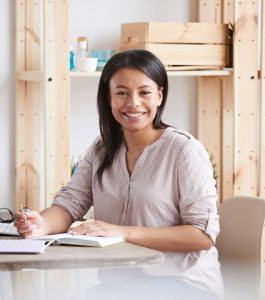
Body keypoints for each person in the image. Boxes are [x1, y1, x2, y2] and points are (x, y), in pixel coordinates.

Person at [14, 49, 223, 300]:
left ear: (159, 95)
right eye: (121, 93)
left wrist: (122, 232)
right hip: (120, 286)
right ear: (109, 98)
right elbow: (69, 204)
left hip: (183, 285)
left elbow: (202, 236)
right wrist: (40, 225)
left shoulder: (184, 150)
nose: (133, 103)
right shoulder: (101, 149)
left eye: (144, 92)